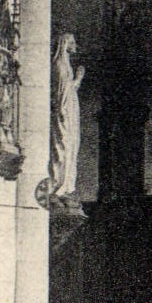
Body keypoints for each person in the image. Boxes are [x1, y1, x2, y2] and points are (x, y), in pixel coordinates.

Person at [49, 32, 84, 201]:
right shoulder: (60, 64)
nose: (75, 44)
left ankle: (66, 186)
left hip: (71, 108)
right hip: (65, 111)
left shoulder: (66, 64)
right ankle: (59, 185)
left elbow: (68, 89)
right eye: (72, 42)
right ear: (65, 44)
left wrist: (77, 80)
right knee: (64, 144)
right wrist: (78, 79)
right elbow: (61, 92)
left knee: (71, 146)